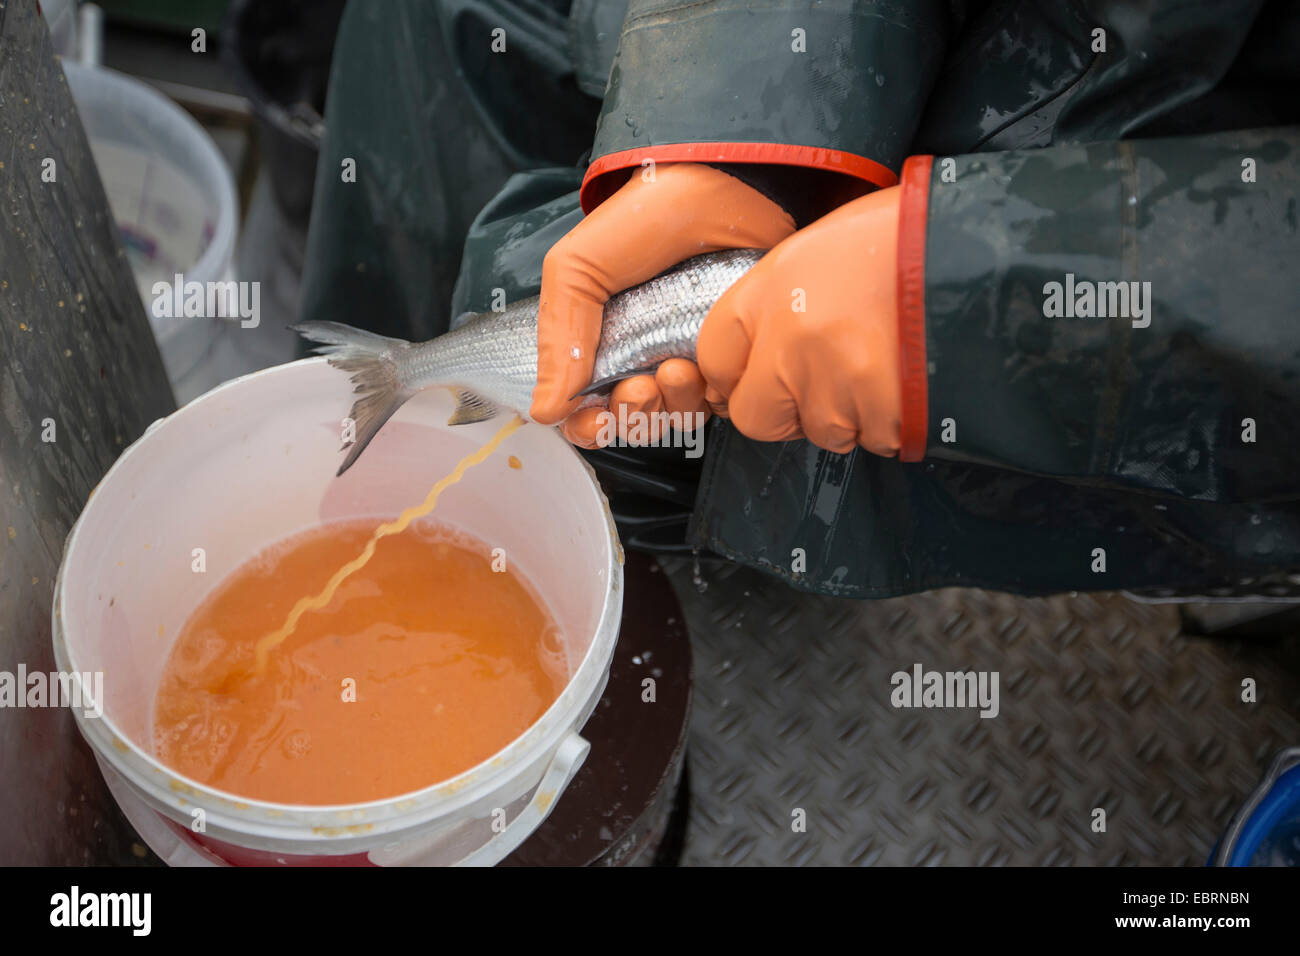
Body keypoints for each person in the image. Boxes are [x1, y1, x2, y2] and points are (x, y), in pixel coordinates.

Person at [301, 0, 1300, 597]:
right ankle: (336, 469)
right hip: (985, 57)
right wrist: (731, 138)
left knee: (549, 333)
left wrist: (954, 292)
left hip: (1160, 344)